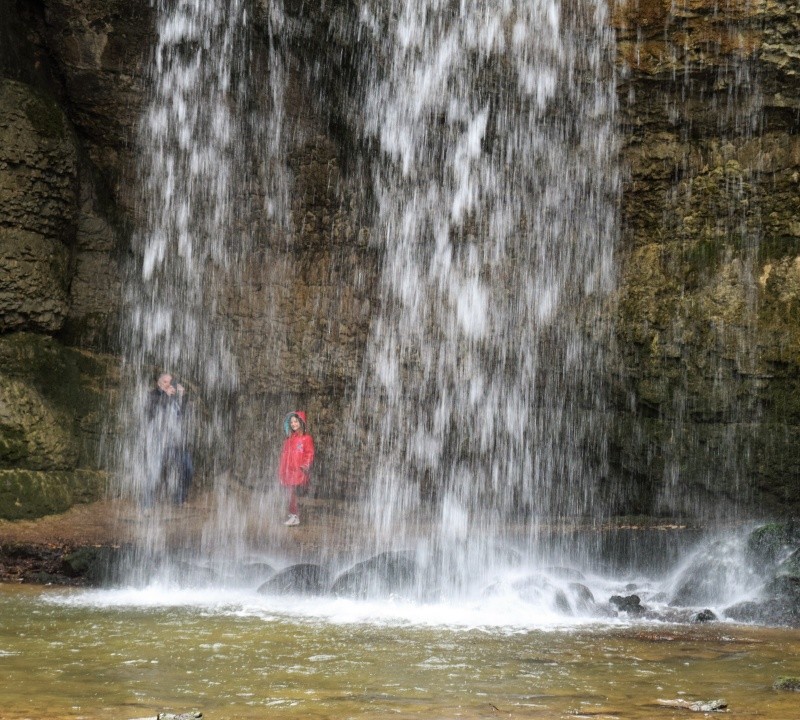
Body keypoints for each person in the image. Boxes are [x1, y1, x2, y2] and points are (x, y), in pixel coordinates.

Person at [145, 372, 194, 506]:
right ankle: (147, 504)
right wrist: (166, 396)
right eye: (165, 382)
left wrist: (183, 397)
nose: (168, 385)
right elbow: (152, 411)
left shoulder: (174, 397)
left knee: (188, 469)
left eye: (170, 382)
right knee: (153, 473)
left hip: (177, 443)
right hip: (158, 442)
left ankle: (179, 499)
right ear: (158, 383)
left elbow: (184, 415)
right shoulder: (152, 395)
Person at [278, 410, 315, 526]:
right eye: (292, 422)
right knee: (289, 493)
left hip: (298, 470)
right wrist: (281, 471)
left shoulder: (306, 438)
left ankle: (295, 516)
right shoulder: (288, 440)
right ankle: (293, 514)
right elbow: (284, 456)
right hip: (288, 470)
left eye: (296, 421)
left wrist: (305, 465)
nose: (293, 424)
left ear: (301, 422)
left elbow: (309, 453)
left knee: (292, 493)